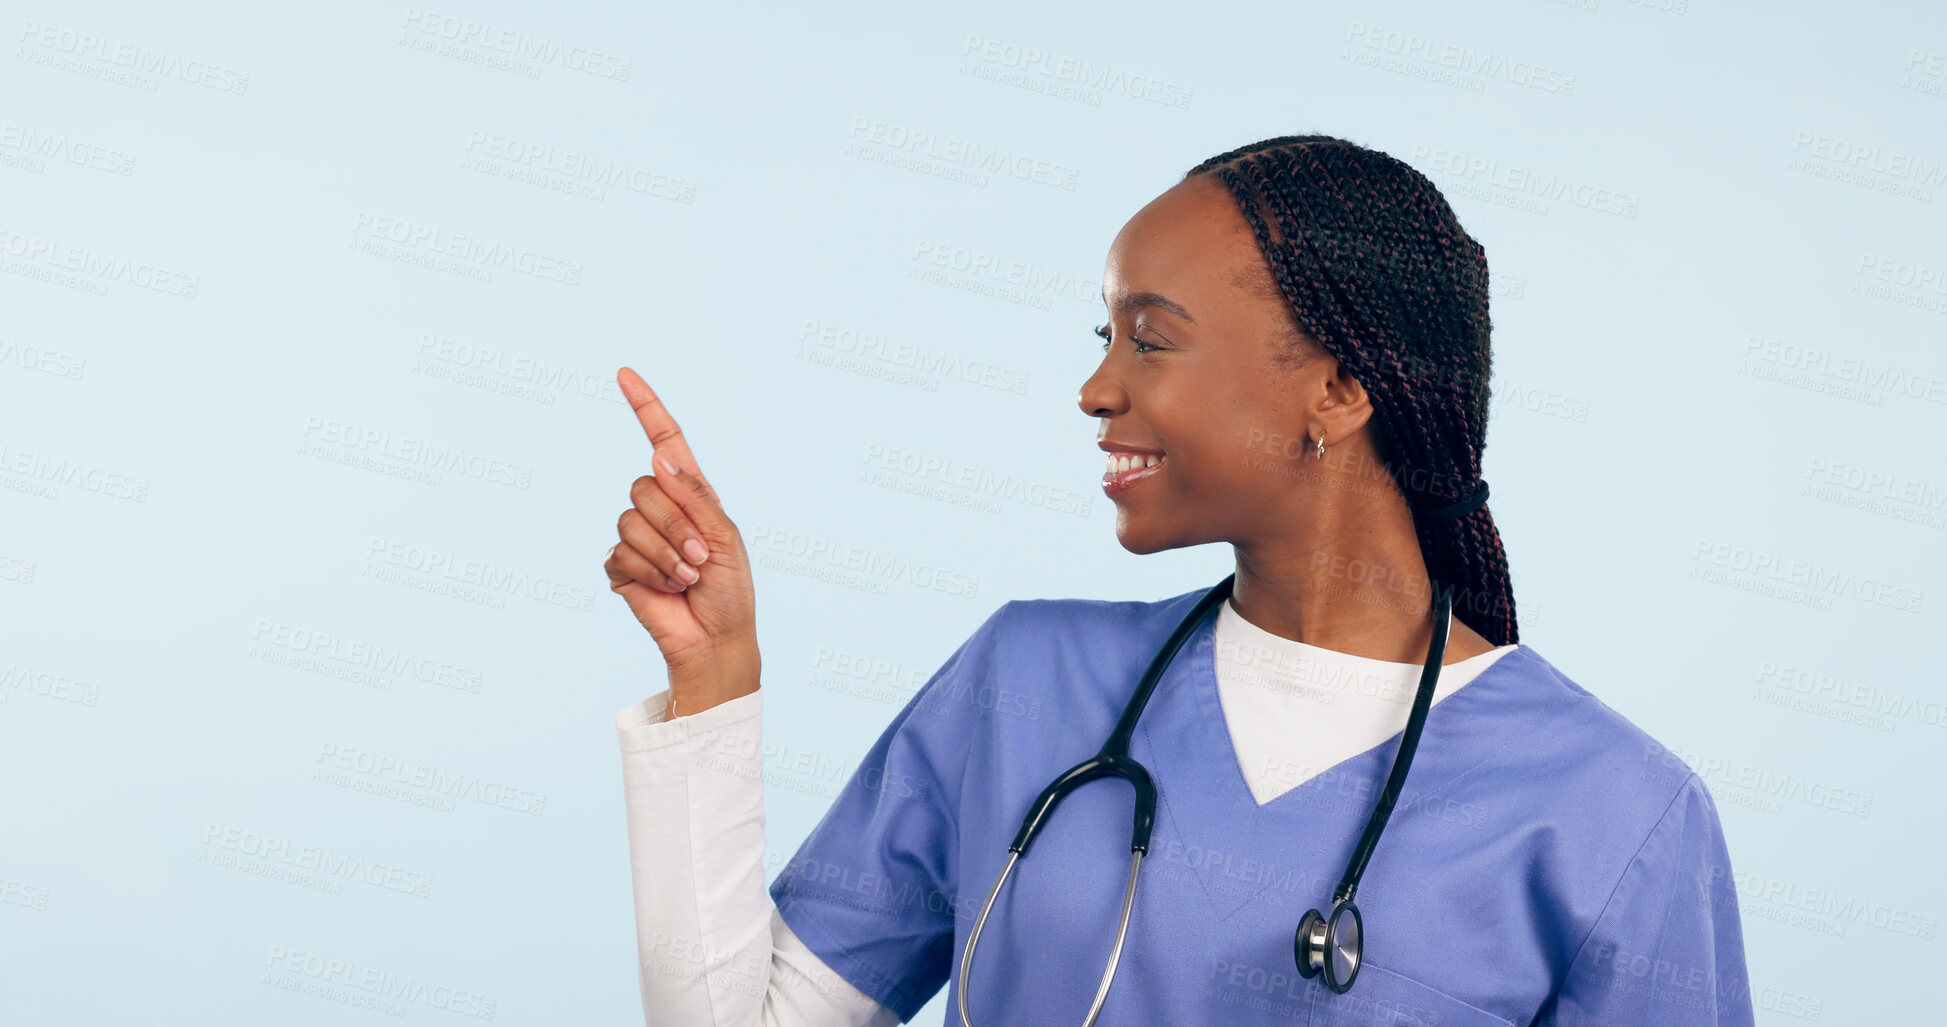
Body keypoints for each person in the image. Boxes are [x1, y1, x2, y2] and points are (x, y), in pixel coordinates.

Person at [604, 134, 1754, 1025]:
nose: (1097, 389)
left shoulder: (1614, 811)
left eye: (1149, 339)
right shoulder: (1025, 681)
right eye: (1102, 337)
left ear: (1340, 392)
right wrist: (714, 673)